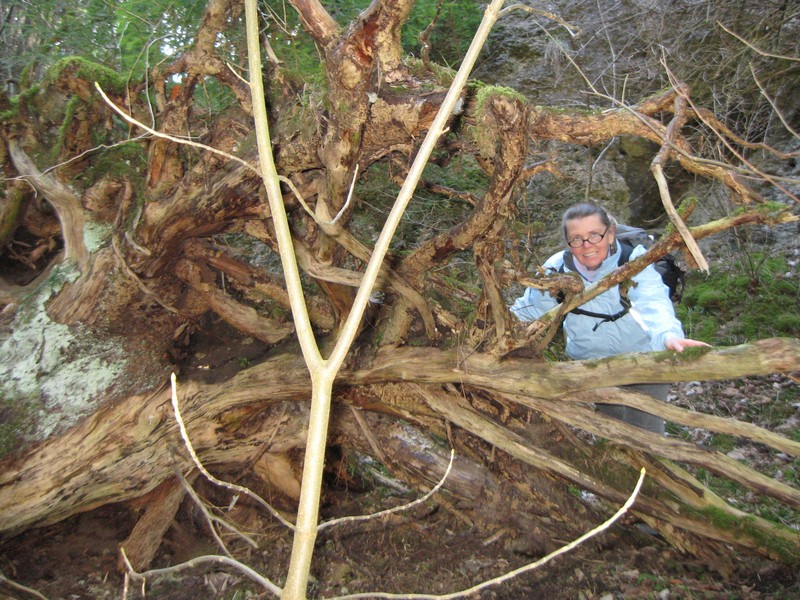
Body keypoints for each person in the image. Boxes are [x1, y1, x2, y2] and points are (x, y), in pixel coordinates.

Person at [511, 203, 710, 434]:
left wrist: (668, 336)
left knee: (647, 432)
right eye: (576, 239)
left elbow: (653, 300)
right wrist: (493, 326)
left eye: (595, 235)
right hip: (594, 366)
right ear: (567, 242)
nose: (587, 245)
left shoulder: (633, 260)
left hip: (644, 359)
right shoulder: (556, 270)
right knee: (612, 431)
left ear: (611, 234)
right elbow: (529, 310)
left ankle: (651, 457)